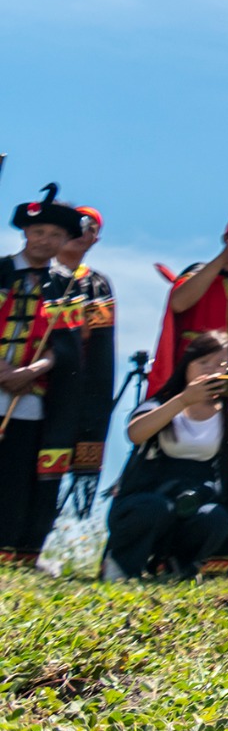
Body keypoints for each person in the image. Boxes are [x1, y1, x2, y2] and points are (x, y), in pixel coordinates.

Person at [106, 333, 228, 579]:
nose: (212, 371)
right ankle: (121, 566)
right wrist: (183, 400)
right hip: (149, 494)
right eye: (204, 363)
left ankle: (178, 568)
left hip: (194, 496)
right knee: (153, 508)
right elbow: (135, 434)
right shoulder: (162, 402)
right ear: (187, 365)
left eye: (220, 365)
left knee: (215, 518)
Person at [0, 193, 83, 567]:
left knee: (15, 476)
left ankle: (10, 549)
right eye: (38, 231)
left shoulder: (66, 287)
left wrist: (32, 371)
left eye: (54, 234)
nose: (45, 240)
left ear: (66, 241)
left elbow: (66, 345)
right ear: (25, 232)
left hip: (30, 396)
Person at [154, 212, 228, 400]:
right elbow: (178, 303)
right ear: (227, 238)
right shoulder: (202, 274)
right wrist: (224, 257)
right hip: (190, 382)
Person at [54, 204, 118, 501]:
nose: (83, 232)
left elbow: (99, 350)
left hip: (67, 386)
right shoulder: (27, 270)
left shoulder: (97, 285)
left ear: (96, 240)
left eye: (91, 229)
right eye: (79, 225)